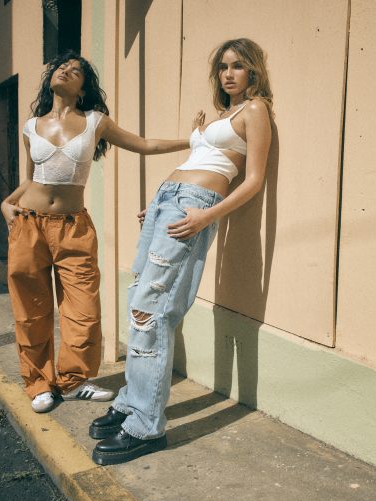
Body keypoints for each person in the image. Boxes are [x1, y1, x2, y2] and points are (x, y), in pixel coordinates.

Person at [89, 38, 273, 465]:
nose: (228, 74)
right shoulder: (221, 116)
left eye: (238, 65)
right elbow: (198, 160)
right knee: (139, 304)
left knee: (150, 311)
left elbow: (253, 180)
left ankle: (146, 426)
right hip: (166, 203)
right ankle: (131, 400)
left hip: (194, 206)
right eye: (223, 66)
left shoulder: (256, 110)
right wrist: (157, 205)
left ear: (253, 70)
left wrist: (207, 217)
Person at [1, 51, 190, 414]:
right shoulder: (31, 126)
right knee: (30, 309)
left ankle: (73, 381)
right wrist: (6, 204)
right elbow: (30, 179)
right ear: (51, 78)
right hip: (29, 226)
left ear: (83, 88)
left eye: (76, 71)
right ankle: (39, 383)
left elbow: (144, 144)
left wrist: (192, 141)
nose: (66, 71)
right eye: (62, 67)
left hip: (73, 227)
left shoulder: (95, 122)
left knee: (83, 309)